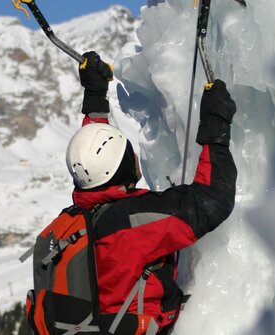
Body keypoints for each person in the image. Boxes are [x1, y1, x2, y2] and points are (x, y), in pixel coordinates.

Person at [67, 51, 237, 334]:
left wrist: (95, 97)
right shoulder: (133, 224)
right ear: (120, 169)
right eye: (127, 153)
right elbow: (211, 201)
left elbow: (95, 158)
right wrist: (216, 128)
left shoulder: (79, 217)